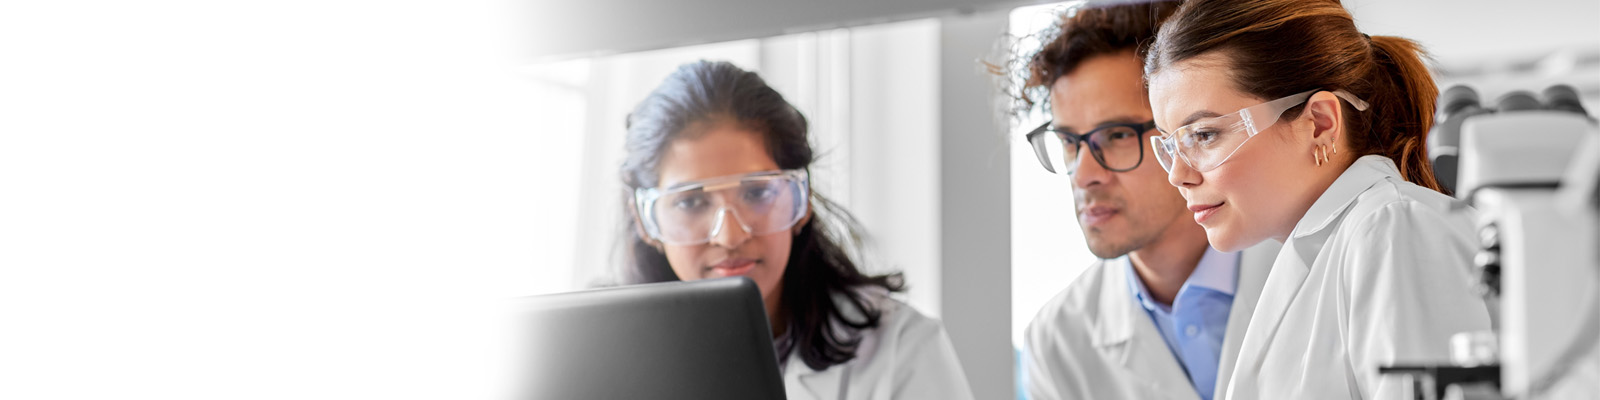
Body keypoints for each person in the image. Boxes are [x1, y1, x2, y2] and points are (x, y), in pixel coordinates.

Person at [1141, 0, 1494, 398]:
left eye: (1204, 135)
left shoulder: (1392, 228)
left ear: (1319, 124)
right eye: (1171, 145)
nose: (1178, 175)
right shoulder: (1320, 251)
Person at [618, 60, 974, 400]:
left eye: (756, 193)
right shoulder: (605, 353)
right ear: (645, 221)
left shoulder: (901, 348)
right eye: (691, 202)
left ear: (801, 200)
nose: (729, 236)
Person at [1002, 2, 1280, 399]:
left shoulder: (1311, 261)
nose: (1083, 175)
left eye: (1116, 135)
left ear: (1188, 132)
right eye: (1068, 143)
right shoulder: (1056, 341)